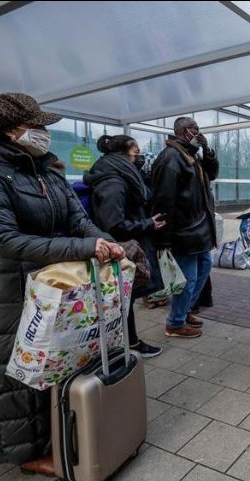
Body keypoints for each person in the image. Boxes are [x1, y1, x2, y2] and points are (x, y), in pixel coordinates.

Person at [0, 93, 124, 475]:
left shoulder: (49, 171)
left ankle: (58, 434)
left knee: (58, 362)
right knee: (13, 374)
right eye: (37, 125)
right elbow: (4, 239)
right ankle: (24, 454)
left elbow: (79, 219)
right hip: (9, 286)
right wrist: (84, 247)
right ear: (12, 130)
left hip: (56, 280)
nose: (44, 132)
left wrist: (103, 241)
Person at [84, 134, 166, 358]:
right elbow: (114, 224)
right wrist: (147, 224)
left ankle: (127, 342)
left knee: (124, 299)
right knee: (123, 299)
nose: (138, 156)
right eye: (136, 151)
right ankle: (129, 344)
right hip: (119, 248)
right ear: (125, 151)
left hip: (123, 245)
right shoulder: (113, 180)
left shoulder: (120, 173)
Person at [151, 117, 219, 339]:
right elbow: (163, 201)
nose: (199, 133)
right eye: (195, 129)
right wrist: (164, 240)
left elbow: (212, 174)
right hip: (184, 231)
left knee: (203, 270)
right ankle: (175, 323)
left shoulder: (190, 154)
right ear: (183, 131)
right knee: (187, 278)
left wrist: (208, 150)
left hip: (198, 229)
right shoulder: (171, 158)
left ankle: (183, 310)